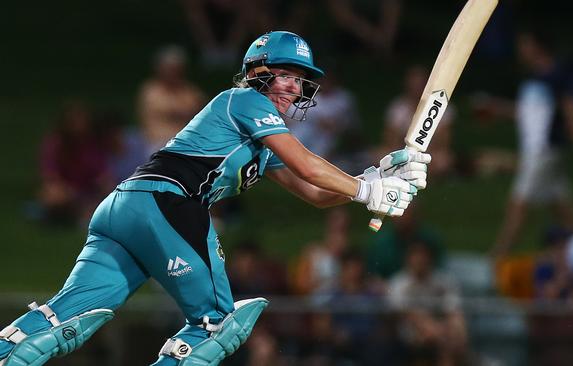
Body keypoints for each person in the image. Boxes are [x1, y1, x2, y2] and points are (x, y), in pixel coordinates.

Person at [0, 31, 430, 365]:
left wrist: (371, 177)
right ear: (258, 73)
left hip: (124, 208)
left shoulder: (261, 141)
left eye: (300, 81)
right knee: (217, 326)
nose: (295, 89)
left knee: (65, 318)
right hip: (167, 203)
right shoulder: (243, 100)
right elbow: (307, 165)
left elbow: (316, 192)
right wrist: (366, 189)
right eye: (286, 75)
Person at [487, 30, 573, 257]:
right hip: (539, 152)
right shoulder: (533, 79)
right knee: (562, 208)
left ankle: (496, 260)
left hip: (543, 152)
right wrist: (497, 110)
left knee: (518, 206)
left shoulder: (556, 76)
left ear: (538, 47)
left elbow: (571, 112)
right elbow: (531, 113)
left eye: (525, 44)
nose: (521, 50)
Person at [138, 45, 205, 155]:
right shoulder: (151, 90)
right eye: (170, 69)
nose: (173, 73)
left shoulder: (189, 90)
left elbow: (201, 111)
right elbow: (176, 112)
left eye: (177, 69)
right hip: (158, 143)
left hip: (189, 143)